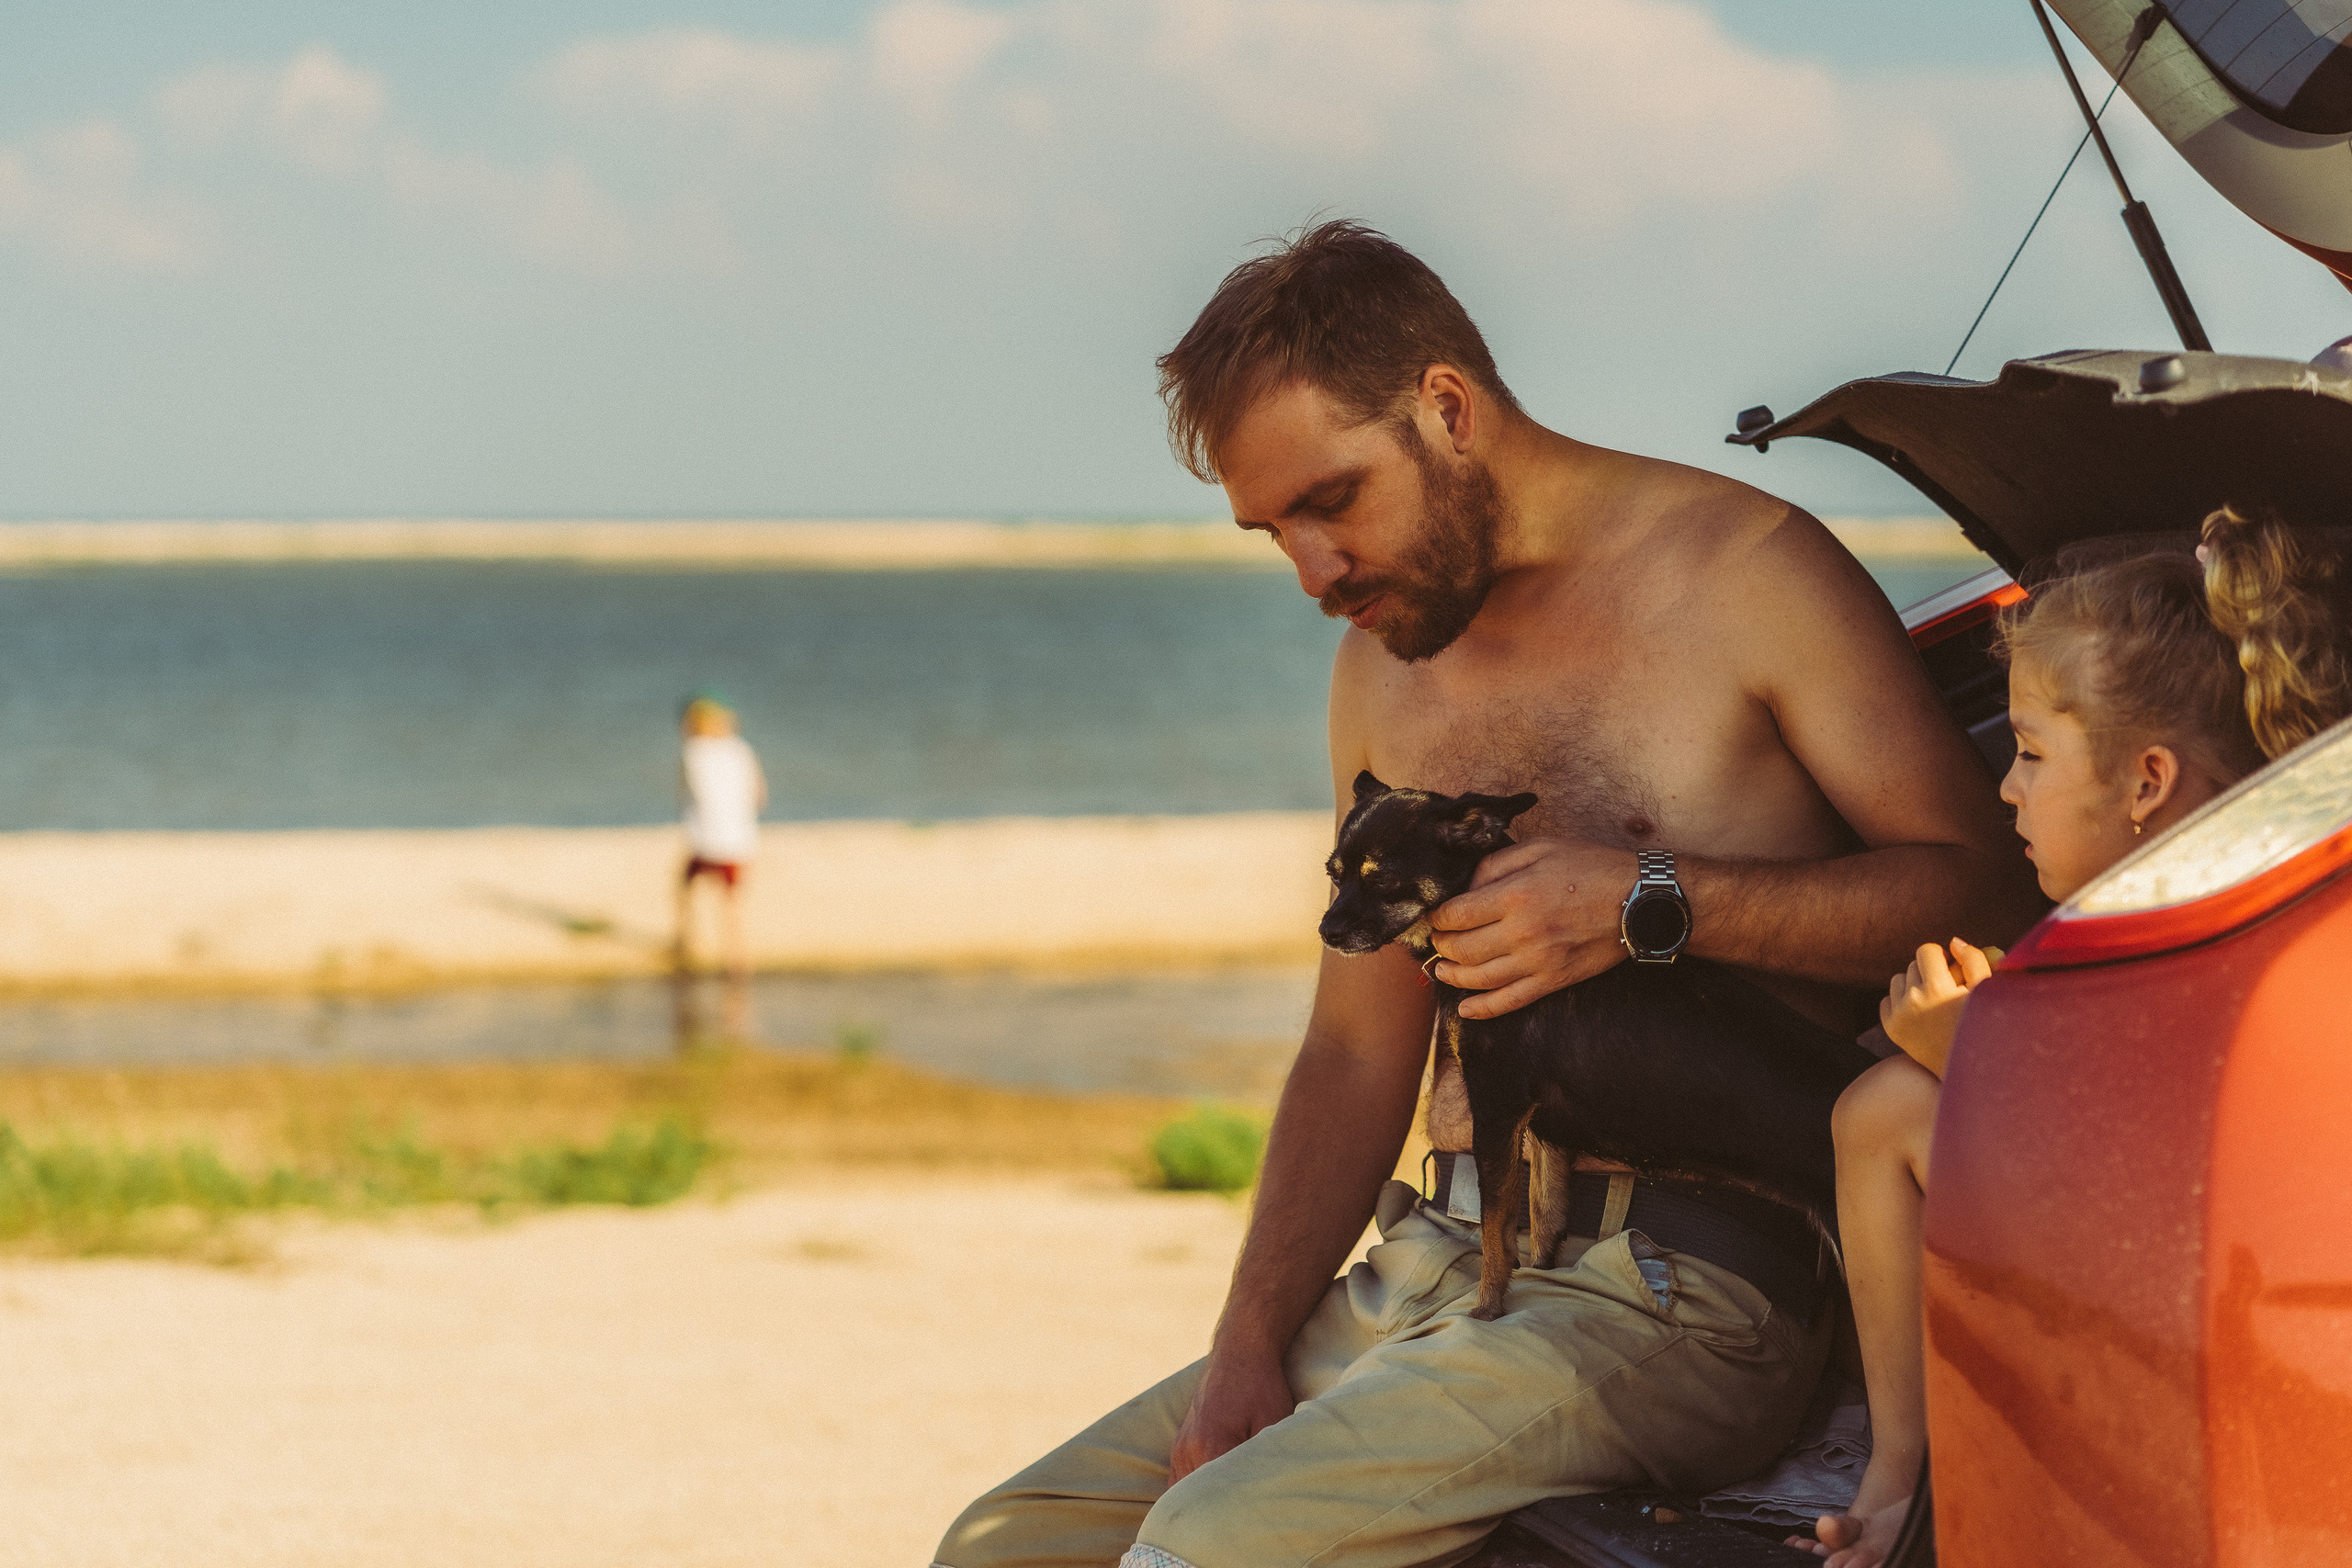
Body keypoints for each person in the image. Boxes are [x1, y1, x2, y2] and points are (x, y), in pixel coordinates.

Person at [934, 220, 2040, 1568]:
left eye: (1331, 500)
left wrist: (1648, 900)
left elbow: (1981, 889)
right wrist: (1243, 1344)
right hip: (1438, 1262)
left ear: (1446, 408)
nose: (1312, 573)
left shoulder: (1743, 575)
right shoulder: (1383, 667)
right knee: (1006, 1541)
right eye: (1273, 528)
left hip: (1689, 1282)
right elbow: (1355, 1047)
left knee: (1213, 1546)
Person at [1803, 504, 2352, 1568]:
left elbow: (2193, 1182)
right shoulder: (2148, 926)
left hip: (2248, 1380)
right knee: (1882, 1112)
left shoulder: (2267, 940)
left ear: (2145, 782)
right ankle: (1901, 1481)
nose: (2006, 785)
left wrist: (1976, 1051)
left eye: (2030, 753)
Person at [673, 694, 766, 984]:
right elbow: (759, 795)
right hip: (740, 840)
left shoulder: (693, 753)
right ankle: (738, 962)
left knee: (685, 886)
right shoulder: (741, 750)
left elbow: (691, 793)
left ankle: (686, 943)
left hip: (707, 840)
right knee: (732, 904)